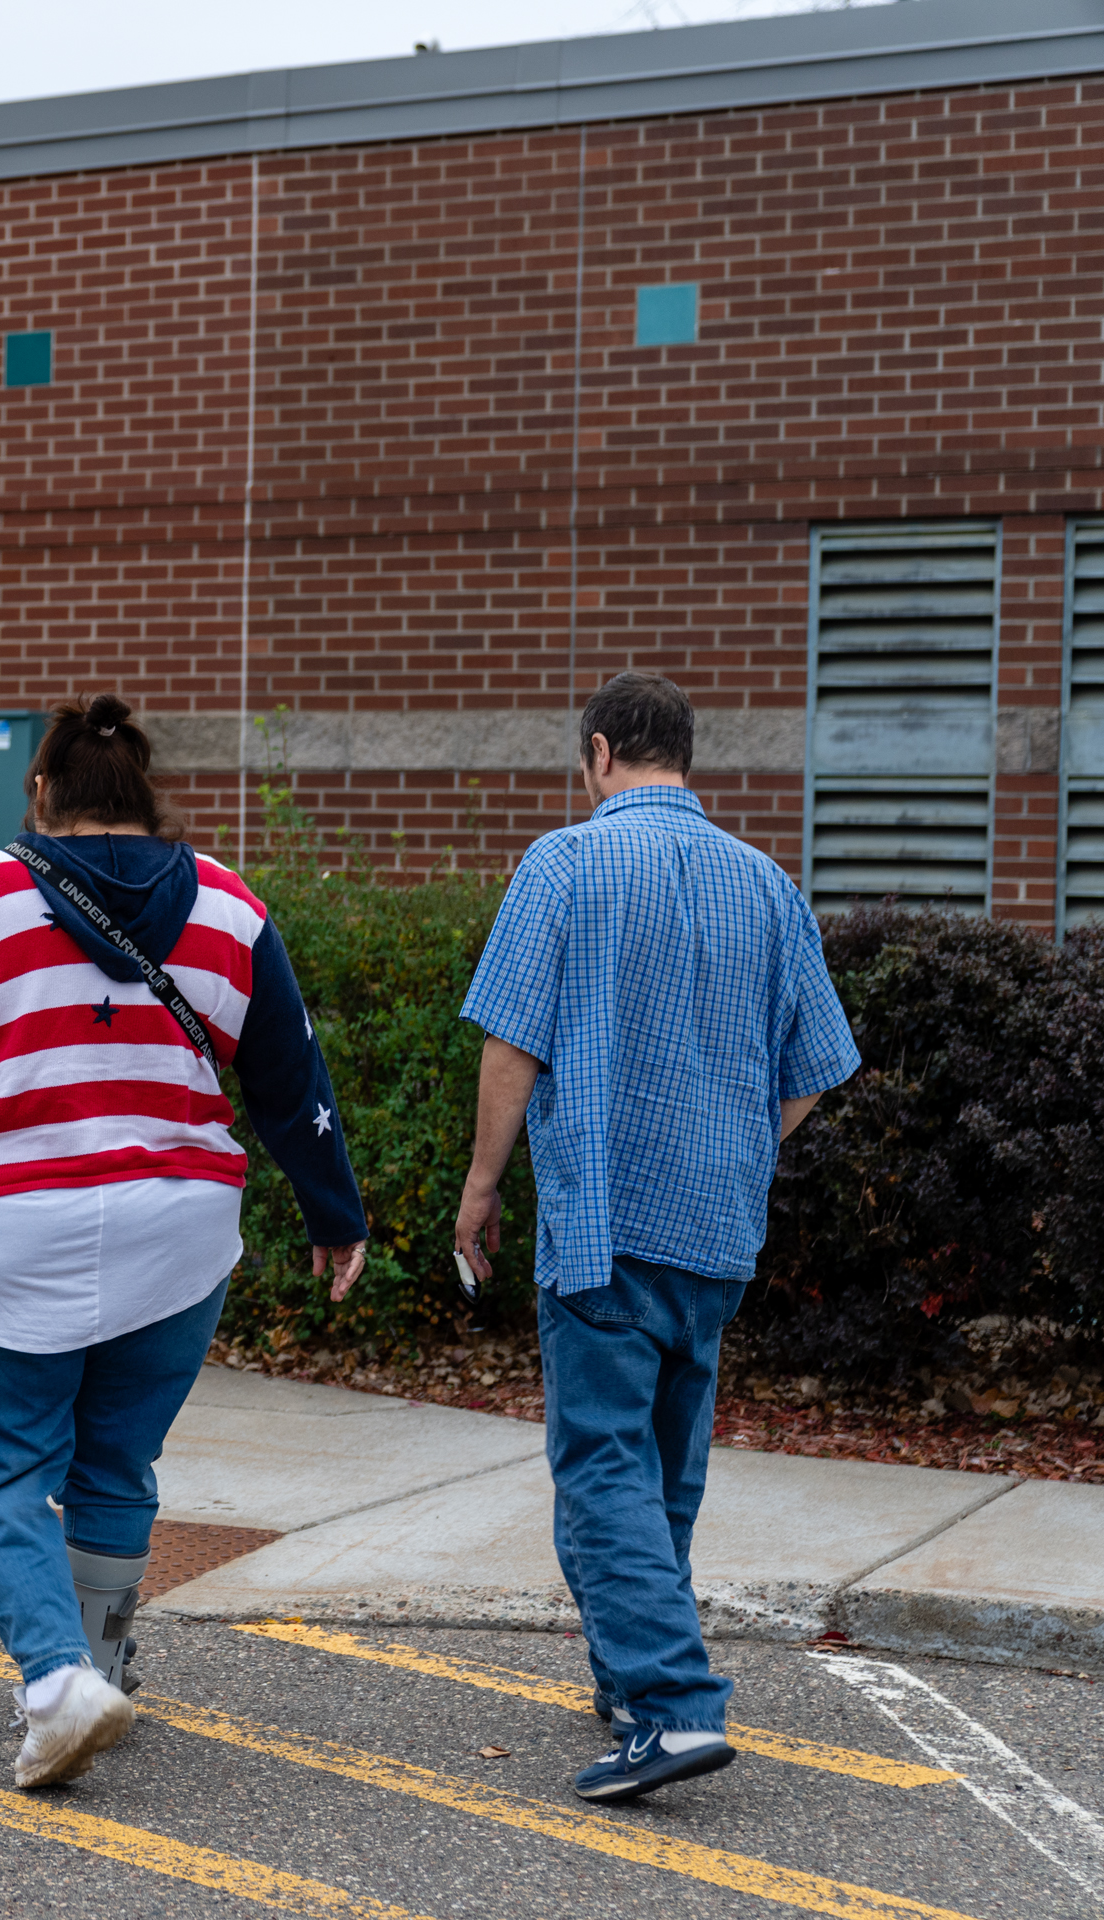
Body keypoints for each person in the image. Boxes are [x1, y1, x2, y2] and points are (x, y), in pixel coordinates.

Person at [0, 694, 369, 1790]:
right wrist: (334, 1212)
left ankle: (57, 1683)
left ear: (44, 794)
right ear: (145, 795)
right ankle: (102, 1659)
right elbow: (288, 1080)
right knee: (116, 1459)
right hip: (175, 1243)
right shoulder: (228, 906)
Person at [454, 670, 859, 1806]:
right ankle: (631, 1679)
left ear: (599, 756)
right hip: (717, 1225)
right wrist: (743, 1143)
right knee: (663, 1465)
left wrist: (482, 1186)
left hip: (604, 1217)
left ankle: (672, 1707)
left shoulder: (567, 865)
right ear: (686, 755)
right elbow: (816, 1069)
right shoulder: (766, 884)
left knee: (600, 1467)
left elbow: (511, 1048)